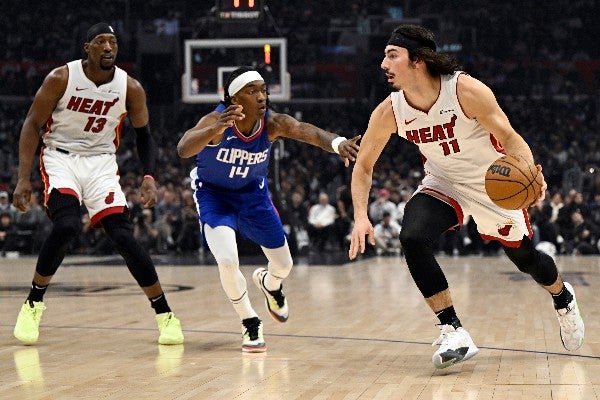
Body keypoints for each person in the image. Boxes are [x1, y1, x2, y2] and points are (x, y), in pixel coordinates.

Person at [348, 24, 584, 369]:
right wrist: (359, 216)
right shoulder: (390, 111)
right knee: (412, 236)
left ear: (418, 61)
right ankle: (452, 328)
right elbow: (364, 165)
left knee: (526, 260)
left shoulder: (465, 90)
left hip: (493, 182)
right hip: (444, 180)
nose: (383, 63)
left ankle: (562, 298)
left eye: (392, 55)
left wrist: (530, 170)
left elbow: (510, 135)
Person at [11, 22, 183, 345]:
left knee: (123, 237)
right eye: (101, 42)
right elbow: (32, 124)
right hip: (60, 157)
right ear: (87, 48)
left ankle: (165, 315)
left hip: (102, 161)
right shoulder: (61, 79)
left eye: (113, 42)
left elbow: (144, 136)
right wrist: (23, 178)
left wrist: (149, 176)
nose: (108, 47)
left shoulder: (130, 87)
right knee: (66, 227)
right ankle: (33, 303)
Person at [177, 66, 360, 352]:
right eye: (252, 91)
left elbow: (306, 131)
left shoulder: (272, 123)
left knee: (284, 265)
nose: (262, 96)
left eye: (263, 90)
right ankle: (249, 321)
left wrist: (338, 144)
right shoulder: (216, 120)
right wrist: (215, 128)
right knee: (227, 261)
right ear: (233, 98)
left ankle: (269, 283)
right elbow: (184, 148)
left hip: (253, 197)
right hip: (215, 196)